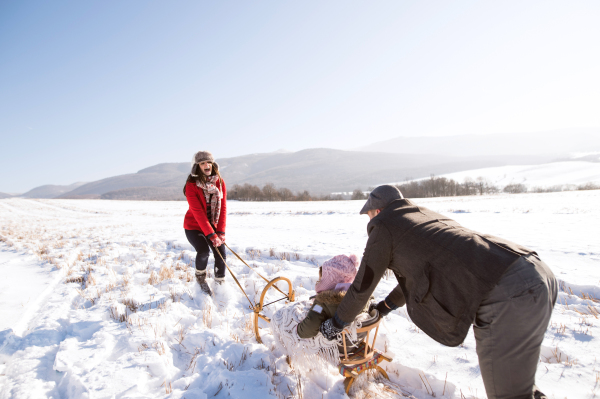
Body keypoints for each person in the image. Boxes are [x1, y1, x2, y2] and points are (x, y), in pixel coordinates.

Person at [319, 185, 557, 399]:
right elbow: (418, 275)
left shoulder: (384, 226)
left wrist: (338, 322)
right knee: (522, 388)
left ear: (378, 212)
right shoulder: (420, 217)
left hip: (506, 293)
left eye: (369, 216)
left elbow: (363, 284)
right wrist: (384, 307)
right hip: (534, 271)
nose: (369, 222)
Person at [183, 150, 227, 296]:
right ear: (197, 167)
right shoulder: (191, 185)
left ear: (213, 164)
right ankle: (201, 280)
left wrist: (220, 232)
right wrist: (212, 235)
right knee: (203, 251)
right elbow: (199, 214)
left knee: (221, 254)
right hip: (194, 227)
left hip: (213, 227)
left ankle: (220, 285)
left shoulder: (219, 182)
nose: (206, 165)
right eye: (202, 163)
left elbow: (223, 208)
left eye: (208, 162)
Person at [296, 254, 369, 339]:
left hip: (337, 345)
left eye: (321, 278)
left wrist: (298, 329)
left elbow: (309, 328)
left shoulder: (323, 303)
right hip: (354, 339)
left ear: (329, 281)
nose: (319, 281)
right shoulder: (357, 298)